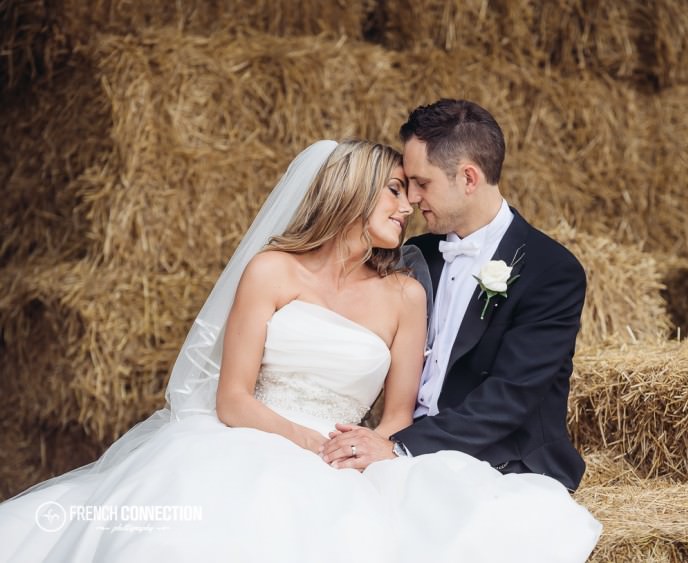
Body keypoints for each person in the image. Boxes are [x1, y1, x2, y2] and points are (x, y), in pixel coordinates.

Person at [0, 139, 600, 562]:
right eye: (395, 190)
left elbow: (398, 412)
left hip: (347, 455)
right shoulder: (270, 272)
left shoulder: (406, 293)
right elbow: (232, 399)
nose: (408, 204)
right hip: (248, 439)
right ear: (349, 195)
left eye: (413, 189)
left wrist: (370, 449)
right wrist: (310, 444)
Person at [324, 99, 589, 492]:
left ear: (468, 178)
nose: (411, 198)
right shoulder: (417, 253)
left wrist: (398, 448)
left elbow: (509, 398)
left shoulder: (551, 271)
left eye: (422, 183)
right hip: (395, 443)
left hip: (502, 463)